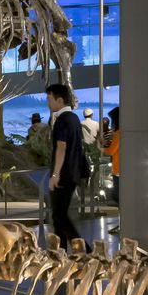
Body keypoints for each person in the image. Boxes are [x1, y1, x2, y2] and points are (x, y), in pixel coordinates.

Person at [46, 83, 89, 246]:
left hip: (64, 175)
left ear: (60, 100)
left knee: (60, 215)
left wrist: (55, 174)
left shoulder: (63, 120)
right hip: (71, 173)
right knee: (58, 216)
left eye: (50, 99)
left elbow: (61, 147)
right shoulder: (74, 118)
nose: (48, 103)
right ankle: (61, 250)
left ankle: (84, 249)